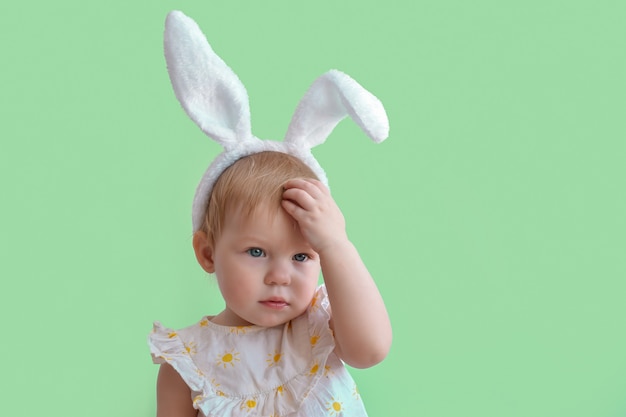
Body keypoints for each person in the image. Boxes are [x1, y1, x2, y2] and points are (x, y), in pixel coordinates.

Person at [149, 11, 392, 417]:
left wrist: (335, 244)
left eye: (302, 257)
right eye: (257, 252)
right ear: (208, 253)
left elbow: (371, 349)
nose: (281, 275)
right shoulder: (187, 363)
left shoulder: (320, 325)